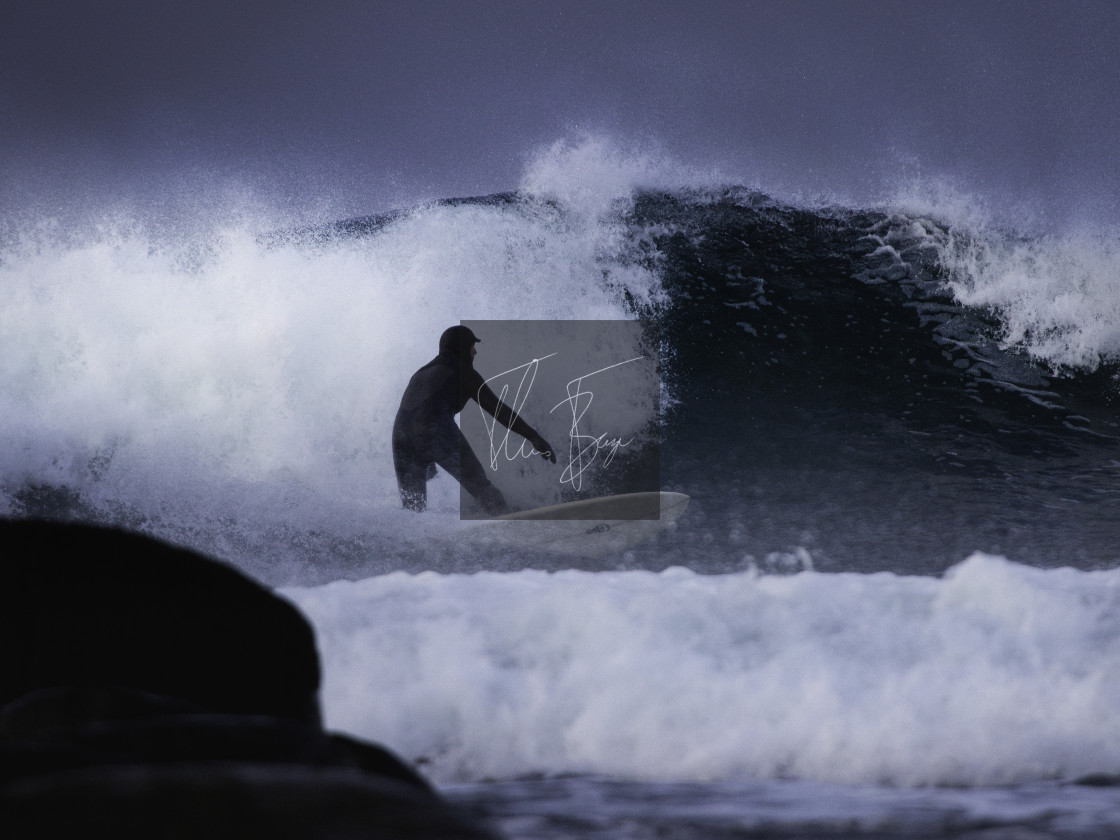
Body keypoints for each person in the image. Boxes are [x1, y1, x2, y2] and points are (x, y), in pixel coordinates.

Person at [392, 325, 556, 515]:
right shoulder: (461, 370)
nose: (475, 351)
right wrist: (534, 437)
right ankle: (512, 531)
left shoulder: (421, 373)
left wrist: (425, 460)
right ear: (461, 347)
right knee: (482, 489)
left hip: (400, 437)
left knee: (413, 511)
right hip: (435, 429)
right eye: (472, 346)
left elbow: (414, 418)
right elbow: (498, 410)